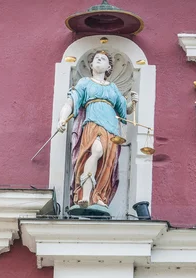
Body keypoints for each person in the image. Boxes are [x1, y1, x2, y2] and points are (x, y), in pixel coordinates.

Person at [58, 50, 138, 216]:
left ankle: (99, 195)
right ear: (91, 64)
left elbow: (125, 111)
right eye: (96, 59)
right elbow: (70, 102)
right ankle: (84, 194)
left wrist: (133, 103)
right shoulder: (85, 83)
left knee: (107, 164)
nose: (99, 61)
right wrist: (62, 118)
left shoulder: (113, 88)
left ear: (109, 67)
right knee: (95, 151)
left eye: (102, 59)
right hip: (92, 125)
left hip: (111, 130)